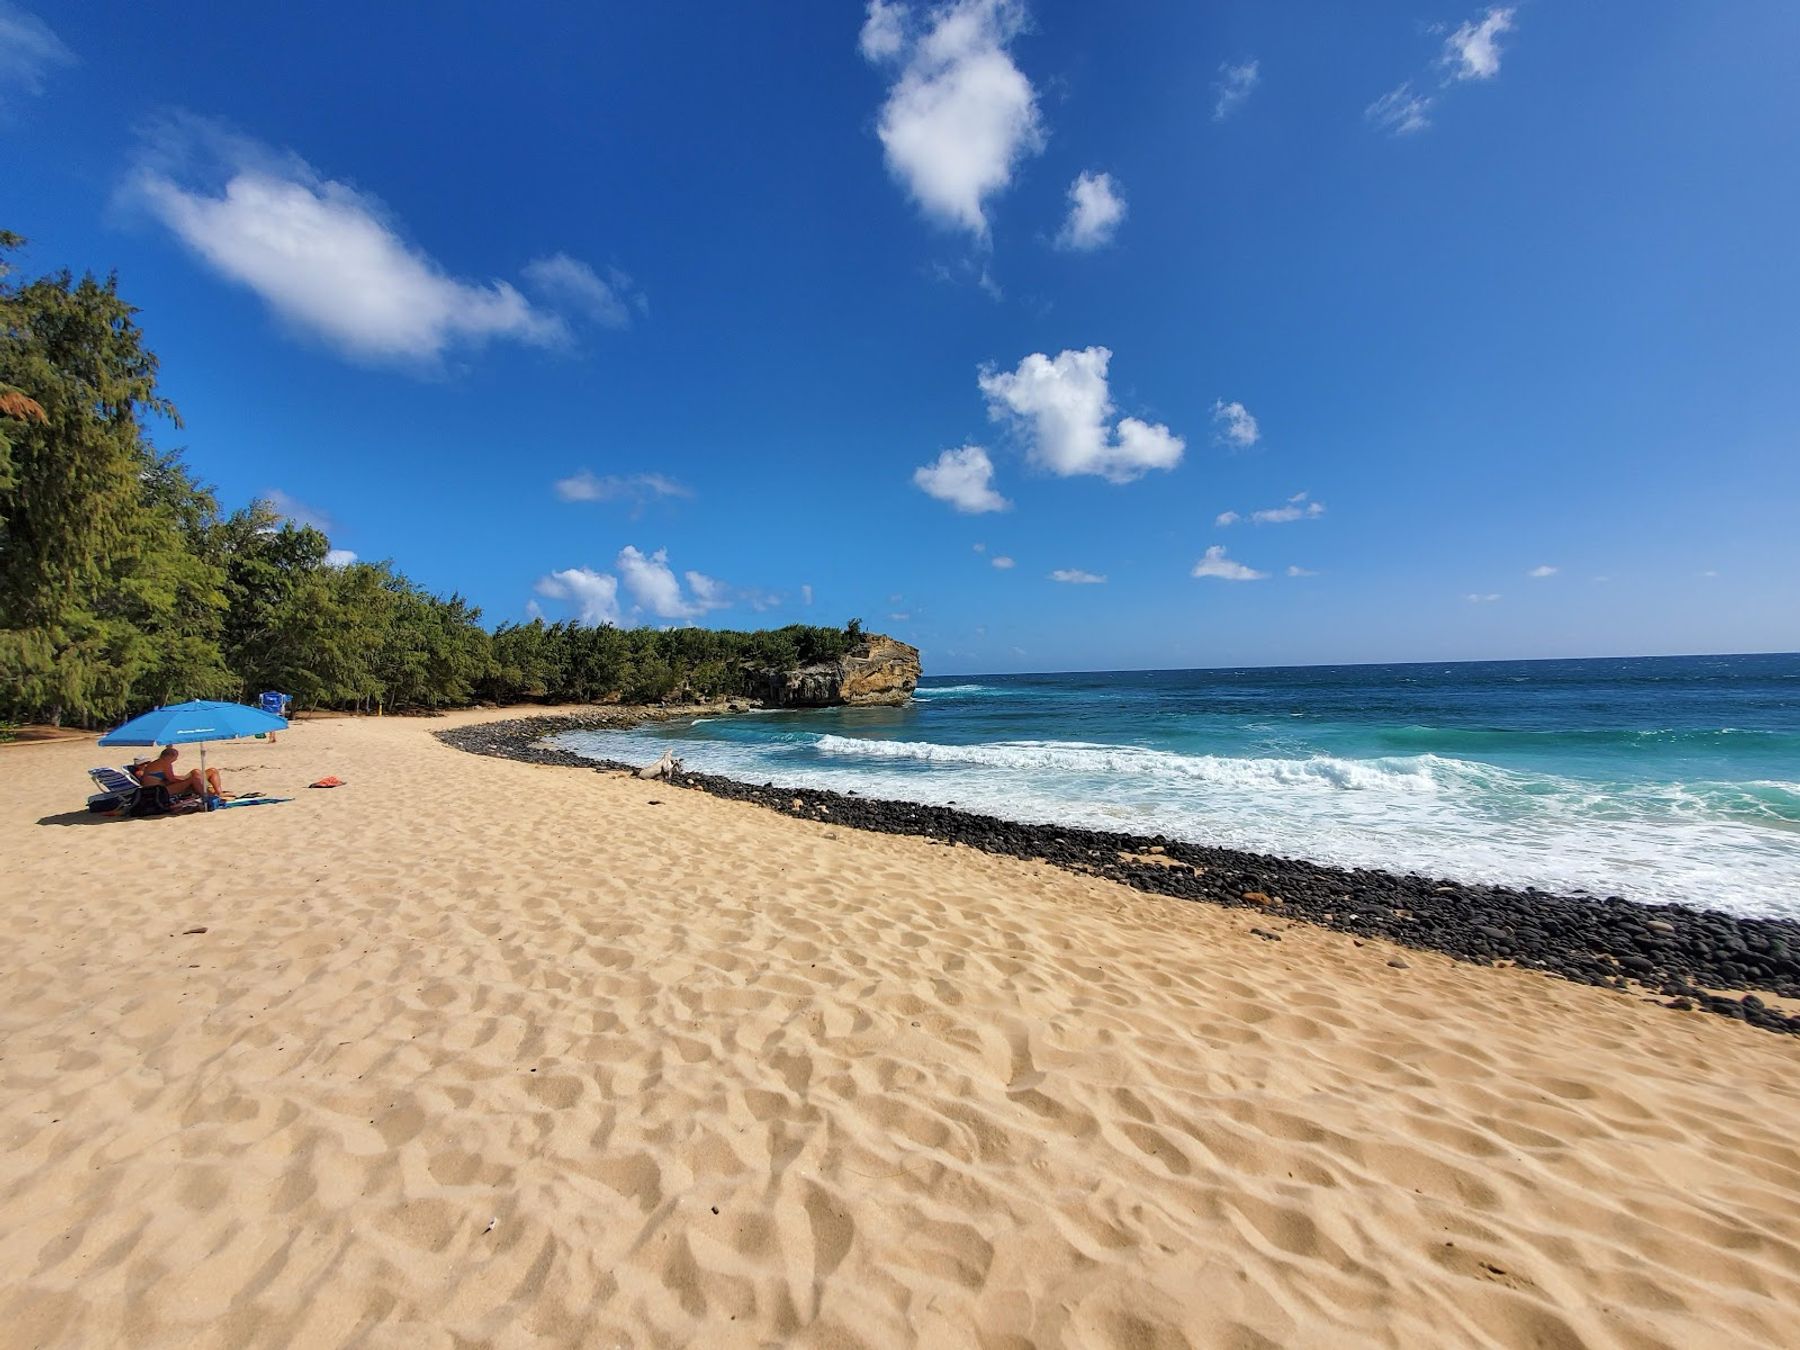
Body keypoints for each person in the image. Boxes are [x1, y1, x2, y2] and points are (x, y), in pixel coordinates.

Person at [131, 746, 222, 801]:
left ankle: (218, 793)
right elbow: (172, 779)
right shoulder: (165, 763)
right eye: (176, 757)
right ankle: (209, 796)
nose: (176, 759)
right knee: (195, 776)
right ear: (170, 757)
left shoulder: (158, 763)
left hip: (161, 788)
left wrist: (185, 778)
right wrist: (186, 779)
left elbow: (168, 778)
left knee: (206, 771)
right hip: (159, 792)